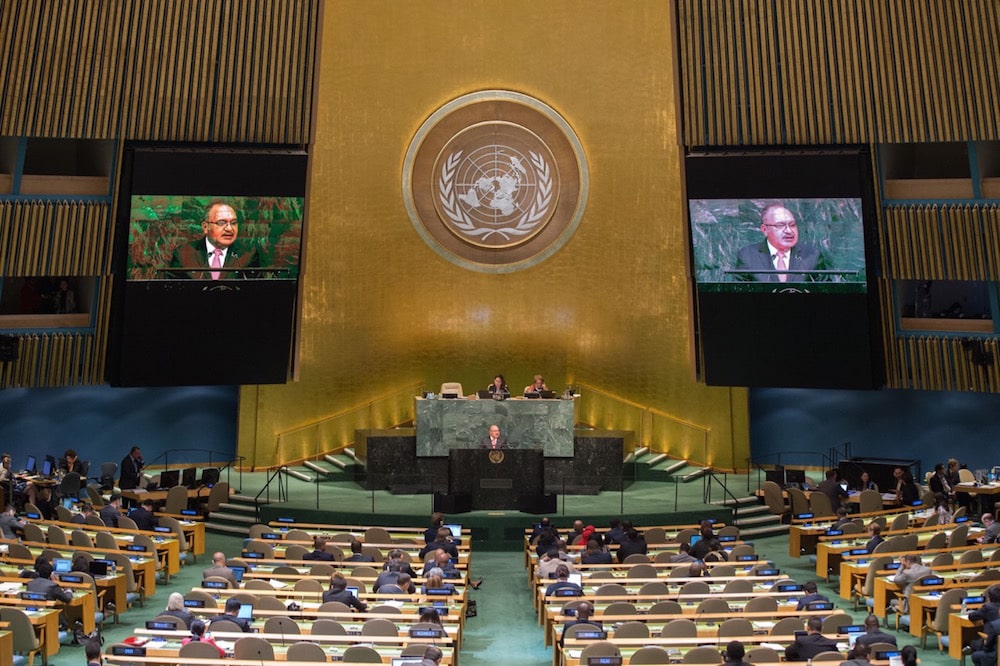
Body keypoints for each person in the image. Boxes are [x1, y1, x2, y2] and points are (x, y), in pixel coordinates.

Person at [734, 204, 828, 282]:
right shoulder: (748, 256)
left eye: (792, 225)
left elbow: (826, 289)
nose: (789, 231)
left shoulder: (811, 255)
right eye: (780, 225)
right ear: (765, 229)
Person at [169, 201, 261, 280]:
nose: (229, 229)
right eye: (221, 223)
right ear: (205, 227)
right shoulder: (184, 254)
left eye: (233, 223)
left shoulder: (248, 255)